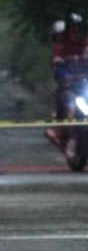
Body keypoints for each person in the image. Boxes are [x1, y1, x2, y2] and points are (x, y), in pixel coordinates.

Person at [45, 12, 88, 150]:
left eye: (79, 28)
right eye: (73, 28)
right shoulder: (61, 47)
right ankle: (61, 132)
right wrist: (64, 76)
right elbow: (56, 66)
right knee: (68, 104)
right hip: (69, 87)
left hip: (84, 85)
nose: (77, 31)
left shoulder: (86, 43)